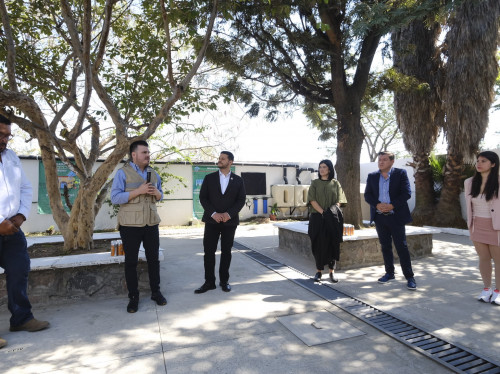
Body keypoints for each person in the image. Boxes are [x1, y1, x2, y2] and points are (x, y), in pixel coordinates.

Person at [0, 114, 49, 349]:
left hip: (12, 230)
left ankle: (21, 319)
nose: (4, 140)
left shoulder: (10, 157)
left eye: (7, 135)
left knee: (19, 271)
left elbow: (25, 187)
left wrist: (20, 216)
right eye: (0, 134)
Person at [111, 140, 166, 313]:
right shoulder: (122, 173)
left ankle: (156, 292)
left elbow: (160, 196)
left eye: (148, 152)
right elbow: (115, 198)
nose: (148, 155)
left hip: (151, 223)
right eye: (144, 152)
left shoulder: (153, 173)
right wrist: (138, 191)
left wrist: (157, 194)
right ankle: (133, 297)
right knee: (131, 262)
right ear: (134, 155)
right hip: (130, 225)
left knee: (153, 260)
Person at [364, 151, 417, 290]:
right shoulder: (372, 176)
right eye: (379, 159)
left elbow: (406, 193)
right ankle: (389, 273)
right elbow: (367, 195)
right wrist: (377, 204)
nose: (381, 162)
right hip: (380, 217)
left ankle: (409, 276)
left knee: (402, 246)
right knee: (385, 246)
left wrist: (392, 205)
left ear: (392, 161)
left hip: (396, 216)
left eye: (384, 159)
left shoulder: (400, 174)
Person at [194, 151, 246, 294]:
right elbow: (203, 198)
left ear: (230, 162)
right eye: (219, 158)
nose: (219, 160)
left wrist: (229, 214)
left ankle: (224, 281)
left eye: (223, 159)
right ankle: (209, 282)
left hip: (230, 222)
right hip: (212, 221)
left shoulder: (238, 180)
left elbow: (241, 200)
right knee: (209, 252)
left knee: (226, 252)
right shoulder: (209, 178)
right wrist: (214, 214)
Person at [464, 151, 500, 305]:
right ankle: (487, 289)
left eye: (484, 161)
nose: (479, 163)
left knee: (498, 260)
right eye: (478, 160)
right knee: (484, 259)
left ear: (493, 164)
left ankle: (498, 291)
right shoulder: (469, 182)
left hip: (496, 227)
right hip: (477, 225)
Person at [307, 159, 347, 283]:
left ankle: (331, 272)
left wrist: (331, 212)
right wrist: (323, 213)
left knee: (332, 243)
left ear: (329, 169)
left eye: (324, 167)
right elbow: (312, 200)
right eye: (320, 167)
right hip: (317, 218)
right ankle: (318, 272)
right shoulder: (314, 183)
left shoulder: (336, 183)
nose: (322, 169)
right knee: (318, 244)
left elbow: (340, 199)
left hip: (332, 218)